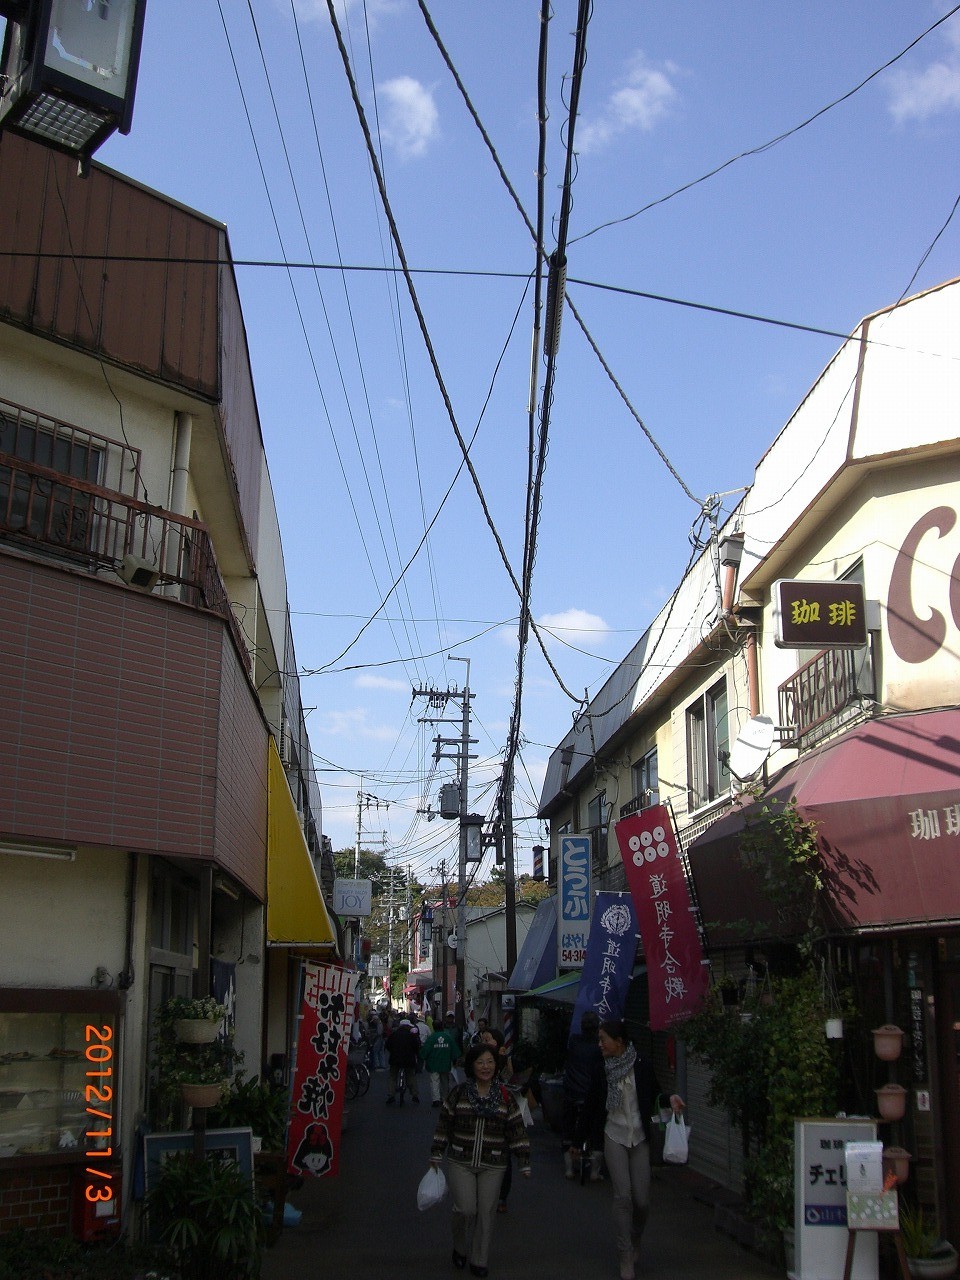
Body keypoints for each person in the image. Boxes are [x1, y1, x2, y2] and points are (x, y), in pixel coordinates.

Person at [585, 1018, 684, 1280]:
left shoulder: (642, 1066)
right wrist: (578, 1141)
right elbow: (592, 1104)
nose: (600, 1044)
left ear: (619, 1042)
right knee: (623, 1197)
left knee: (642, 1200)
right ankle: (625, 1253)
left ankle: (636, 1236)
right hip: (613, 1135)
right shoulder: (600, 1068)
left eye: (603, 1039)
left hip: (639, 1137)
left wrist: (669, 1099)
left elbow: (655, 1095)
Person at [430, 1043, 531, 1279]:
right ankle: (459, 1245)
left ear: (496, 1066)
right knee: (466, 1209)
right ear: (471, 1066)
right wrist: (436, 1152)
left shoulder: (505, 1096)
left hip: (494, 1163)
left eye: (490, 1062)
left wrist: (524, 1160)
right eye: (480, 1062)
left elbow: (516, 1128)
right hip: (460, 1160)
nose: (485, 1067)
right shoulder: (459, 1093)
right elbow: (444, 1124)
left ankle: (479, 1259)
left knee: (486, 1212)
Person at [562, 1009, 604, 1181]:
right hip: (592, 1095)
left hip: (572, 1093)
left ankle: (569, 1170)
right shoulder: (600, 1046)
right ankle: (595, 1172)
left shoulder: (574, 1041)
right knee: (597, 1131)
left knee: (568, 1131)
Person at [480, 1027, 515, 1215]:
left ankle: (502, 1196)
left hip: (502, 1113)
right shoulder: (477, 1062)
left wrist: (503, 1060)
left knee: (504, 1155)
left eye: (489, 1039)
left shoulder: (504, 1059)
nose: (485, 1042)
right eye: (483, 1039)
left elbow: (511, 1079)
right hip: (482, 1112)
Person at [421, 1011, 462, 1105]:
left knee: (434, 1081)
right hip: (445, 1063)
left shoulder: (431, 1038)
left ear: (434, 1027)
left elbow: (424, 1051)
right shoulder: (448, 1037)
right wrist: (455, 1060)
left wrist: (423, 1058)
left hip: (433, 1064)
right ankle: (445, 1098)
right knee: (445, 1081)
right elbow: (455, 1051)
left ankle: (436, 1099)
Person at [385, 1016, 421, 1105]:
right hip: (408, 1059)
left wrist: (392, 1052)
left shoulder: (394, 1034)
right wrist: (416, 1055)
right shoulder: (411, 1035)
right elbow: (416, 1047)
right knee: (411, 1076)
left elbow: (388, 1045)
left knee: (393, 1077)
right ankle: (414, 1095)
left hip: (395, 1059)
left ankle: (391, 1095)